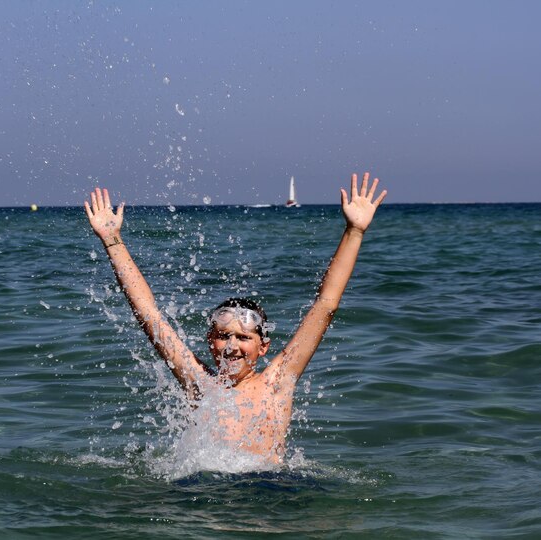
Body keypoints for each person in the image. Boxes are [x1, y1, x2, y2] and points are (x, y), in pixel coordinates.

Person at [84, 173, 387, 464]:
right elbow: (148, 315)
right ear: (210, 341)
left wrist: (354, 232)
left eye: (244, 337)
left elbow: (325, 305)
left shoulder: (277, 383)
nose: (232, 346)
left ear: (263, 346)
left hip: (269, 488)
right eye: (223, 335)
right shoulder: (199, 382)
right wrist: (113, 242)